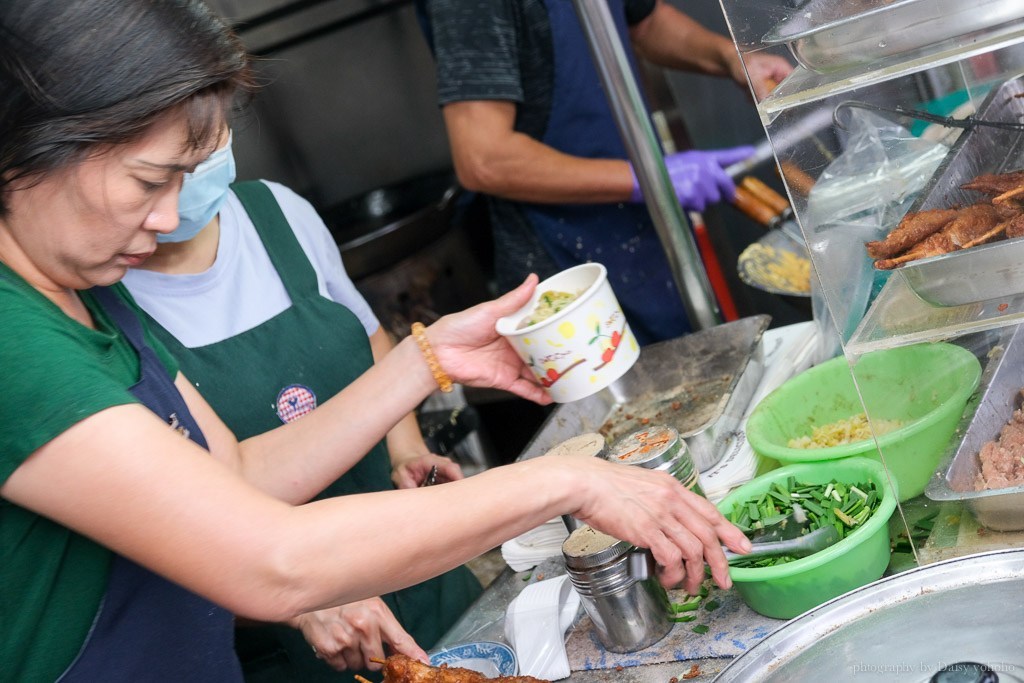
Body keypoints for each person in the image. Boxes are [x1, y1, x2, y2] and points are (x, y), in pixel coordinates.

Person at [0, 2, 751, 681]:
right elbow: (271, 559)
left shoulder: (84, 291)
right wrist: (567, 480)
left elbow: (240, 473)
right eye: (146, 182)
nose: (168, 219)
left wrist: (428, 360)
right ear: (27, 150)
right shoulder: (14, 339)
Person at [121, 126, 481, 680]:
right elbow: (173, 530)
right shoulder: (103, 305)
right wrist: (295, 600)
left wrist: (404, 449)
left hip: (419, 570)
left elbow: (369, 341)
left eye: (209, 134)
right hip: (296, 645)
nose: (192, 169)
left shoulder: (278, 212)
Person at [416, 0, 794, 345]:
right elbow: (484, 158)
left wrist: (730, 57)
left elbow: (642, 21)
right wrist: (644, 178)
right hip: (567, 272)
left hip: (647, 238)